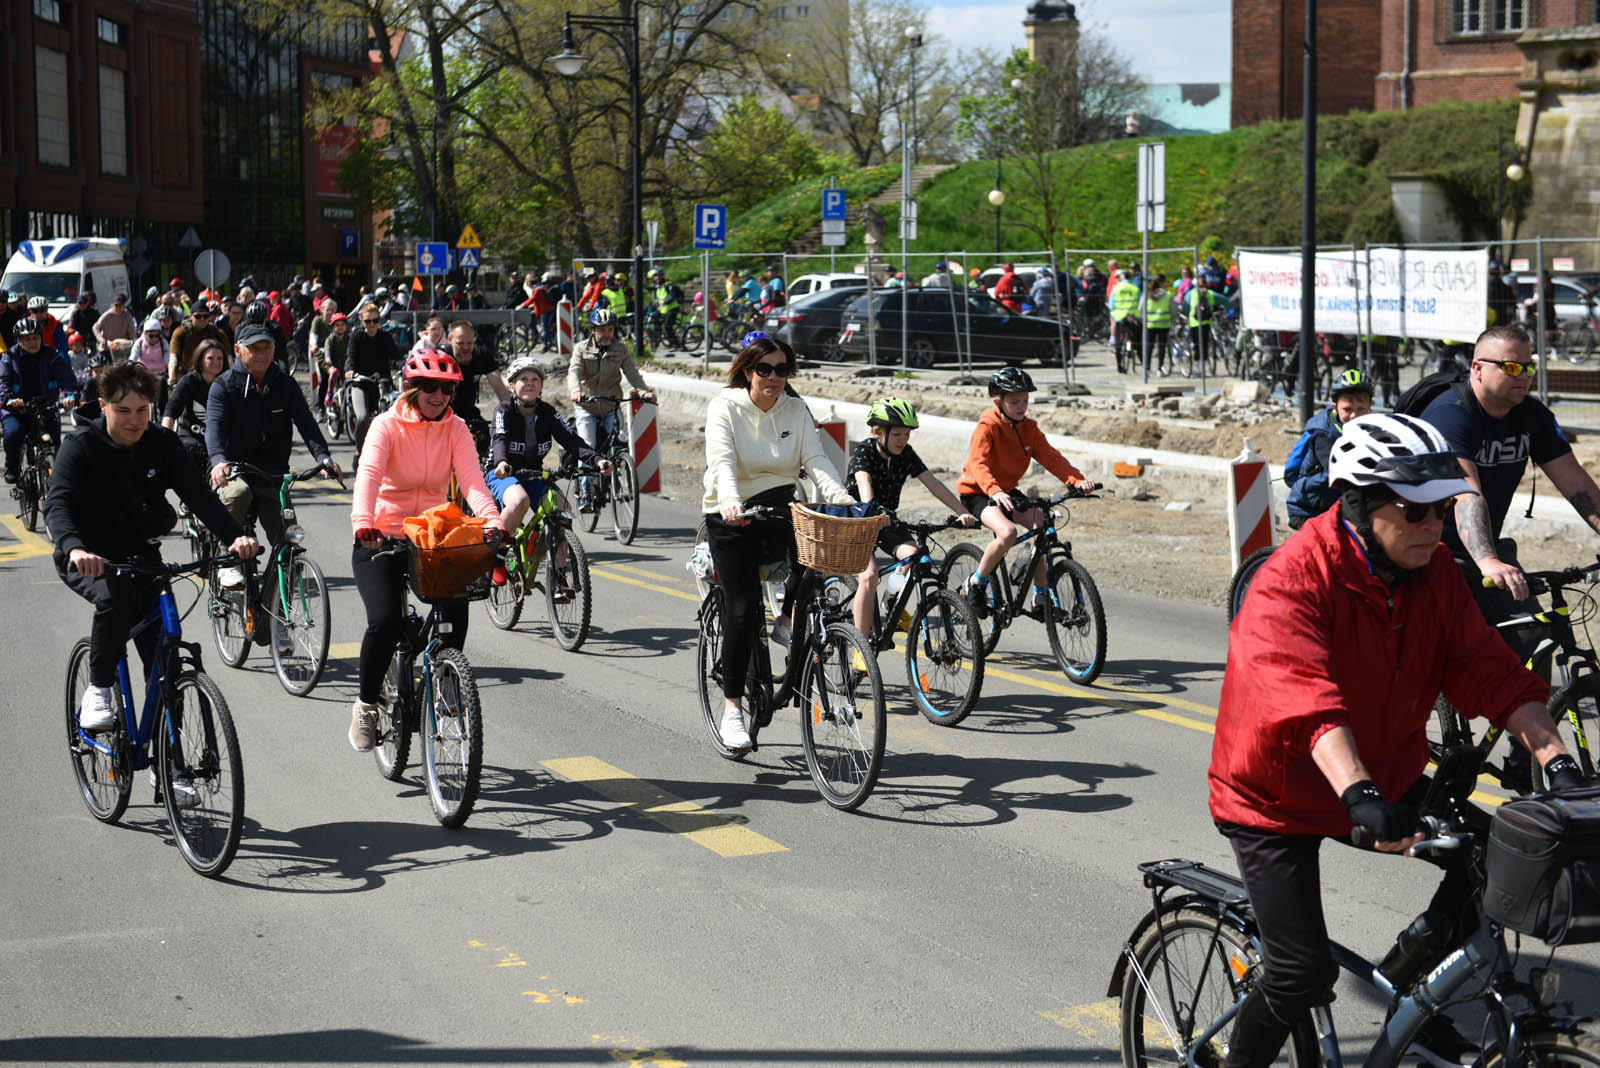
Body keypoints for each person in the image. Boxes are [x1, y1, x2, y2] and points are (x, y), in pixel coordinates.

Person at [1209, 412, 1584, 1068]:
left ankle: (1422, 1002)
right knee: (1300, 975)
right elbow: (1305, 702)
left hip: (1383, 773)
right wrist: (1359, 794)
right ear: (1356, 505)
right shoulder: (1291, 581)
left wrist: (1557, 762)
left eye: (1442, 510)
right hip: (1276, 793)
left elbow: (1486, 670)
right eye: (1415, 511)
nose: (1433, 527)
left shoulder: (1434, 573)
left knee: (1490, 863)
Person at [48, 361, 259, 742]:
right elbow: (58, 506)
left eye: (143, 410)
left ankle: (170, 766)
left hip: (141, 554)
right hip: (89, 555)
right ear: (104, 405)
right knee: (115, 598)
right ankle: (98, 689)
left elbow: (199, 498)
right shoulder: (80, 447)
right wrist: (75, 548)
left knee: (166, 665)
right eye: (124, 411)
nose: (135, 420)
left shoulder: (161, 444)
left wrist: (234, 537)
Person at [348, 349, 503, 751]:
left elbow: (472, 482)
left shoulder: (456, 428)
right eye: (430, 387)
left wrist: (491, 519)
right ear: (413, 388)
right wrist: (363, 523)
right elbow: (368, 476)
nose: (438, 396)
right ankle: (365, 705)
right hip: (380, 535)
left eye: (447, 389)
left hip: (431, 537)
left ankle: (448, 679)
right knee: (384, 622)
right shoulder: (386, 425)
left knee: (457, 602)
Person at [702, 335, 852, 750]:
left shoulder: (795, 408)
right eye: (763, 369)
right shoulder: (724, 407)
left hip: (779, 504)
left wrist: (840, 498)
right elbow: (722, 460)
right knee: (740, 611)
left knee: (817, 553)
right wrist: (731, 501)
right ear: (747, 371)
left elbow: (816, 459)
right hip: (731, 513)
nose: (772, 377)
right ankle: (732, 708)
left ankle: (786, 621)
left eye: (781, 369)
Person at [1421, 325, 1600, 659]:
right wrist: (1488, 561)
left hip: (1488, 550)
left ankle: (1536, 710)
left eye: (1528, 366)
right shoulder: (1449, 416)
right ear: (1477, 368)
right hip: (1427, 551)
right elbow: (1466, 494)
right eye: (1511, 366)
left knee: (1534, 638)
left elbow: (1578, 485)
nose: (1524, 375)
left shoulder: (1532, 417)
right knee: (1430, 655)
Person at [954, 367, 1098, 615]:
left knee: (1041, 527)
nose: (1021, 406)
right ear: (998, 401)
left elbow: (1052, 458)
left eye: (1025, 400)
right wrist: (994, 491)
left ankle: (1040, 596)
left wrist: (1077, 481)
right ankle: (976, 583)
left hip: (1007, 491)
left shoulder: (1028, 428)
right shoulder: (987, 426)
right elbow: (978, 463)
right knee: (1007, 532)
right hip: (978, 492)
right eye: (1014, 401)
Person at [205, 323, 339, 585]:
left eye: (267, 347)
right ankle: (226, 559)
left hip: (273, 474)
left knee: (288, 539)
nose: (262, 353)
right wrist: (218, 461)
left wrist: (323, 457)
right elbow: (214, 429)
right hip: (235, 471)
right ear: (237, 351)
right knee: (237, 493)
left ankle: (281, 601)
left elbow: (307, 424)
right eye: (254, 348)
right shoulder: (223, 386)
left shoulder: (284, 384)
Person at [846, 397, 976, 635]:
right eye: (897, 435)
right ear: (877, 432)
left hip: (887, 520)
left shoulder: (905, 453)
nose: (903, 440)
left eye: (907, 435)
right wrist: (873, 509)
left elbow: (933, 484)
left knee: (913, 555)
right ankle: (860, 646)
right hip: (860, 521)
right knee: (870, 576)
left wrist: (962, 512)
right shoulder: (864, 451)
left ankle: (891, 597)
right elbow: (864, 484)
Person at [488, 356, 609, 532]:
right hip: (502, 473)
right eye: (523, 379)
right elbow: (499, 438)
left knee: (562, 511)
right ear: (512, 385)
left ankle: (550, 557)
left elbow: (570, 440)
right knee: (519, 502)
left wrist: (597, 460)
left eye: (535, 380)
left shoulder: (547, 412)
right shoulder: (504, 410)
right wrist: (501, 462)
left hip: (533, 474)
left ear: (541, 386)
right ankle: (495, 554)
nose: (530, 384)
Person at [567, 307, 655, 509]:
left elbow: (632, 373)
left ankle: (619, 479)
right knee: (587, 445)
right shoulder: (581, 348)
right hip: (586, 405)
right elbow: (574, 372)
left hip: (611, 404)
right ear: (593, 330)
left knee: (620, 441)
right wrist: (576, 390)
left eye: (609, 329)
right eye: (602, 330)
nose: (606, 334)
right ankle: (587, 492)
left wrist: (642, 391)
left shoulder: (620, 350)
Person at [1284, 369, 1375, 529]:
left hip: (1335, 504)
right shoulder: (1323, 434)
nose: (1354, 415)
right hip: (1309, 508)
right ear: (1335, 407)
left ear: (1370, 406)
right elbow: (1337, 472)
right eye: (1347, 409)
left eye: (1361, 408)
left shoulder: (1369, 428)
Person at [1, 318, 77, 483]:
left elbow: (66, 377)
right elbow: (2, 382)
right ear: (19, 341)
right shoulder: (9, 357)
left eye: (35, 337)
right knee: (13, 433)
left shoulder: (51, 354)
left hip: (45, 405)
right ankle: (12, 467)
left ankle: (57, 479)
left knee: (54, 441)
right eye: (27, 339)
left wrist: (69, 395)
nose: (32, 342)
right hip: (16, 407)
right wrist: (8, 398)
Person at [162, 338, 227, 476]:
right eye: (210, 358)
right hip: (191, 440)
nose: (216, 362)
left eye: (219, 358)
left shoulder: (227, 382)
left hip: (218, 443)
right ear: (200, 360)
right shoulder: (189, 381)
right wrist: (164, 441)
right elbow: (171, 410)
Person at [446, 319, 507, 446]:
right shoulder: (441, 357)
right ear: (449, 340)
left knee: (485, 439)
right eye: (460, 343)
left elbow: (499, 386)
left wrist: (511, 411)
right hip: (444, 412)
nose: (466, 347)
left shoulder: (481, 354)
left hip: (470, 412)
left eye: (470, 342)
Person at [169, 300, 224, 384]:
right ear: (191, 316)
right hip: (186, 375)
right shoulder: (181, 332)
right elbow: (173, 357)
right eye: (198, 316)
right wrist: (173, 380)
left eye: (205, 316)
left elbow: (228, 357)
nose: (202, 319)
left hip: (212, 376)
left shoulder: (217, 332)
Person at [1109, 269, 1141, 372]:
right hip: (1133, 318)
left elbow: (1111, 305)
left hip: (1119, 318)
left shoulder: (1116, 288)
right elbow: (1141, 303)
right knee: (1137, 341)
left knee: (1119, 342)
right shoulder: (1135, 288)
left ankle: (1119, 366)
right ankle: (1143, 363)